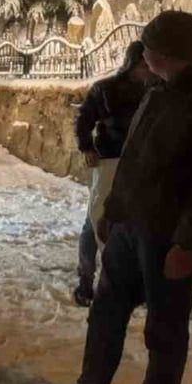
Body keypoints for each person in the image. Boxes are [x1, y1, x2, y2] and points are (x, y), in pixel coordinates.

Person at [37, 10, 192, 384]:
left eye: (151, 48)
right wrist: (111, 208)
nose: (143, 54)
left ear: (175, 54)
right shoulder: (156, 92)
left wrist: (188, 242)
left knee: (164, 327)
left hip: (168, 236)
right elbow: (130, 159)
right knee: (105, 311)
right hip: (129, 224)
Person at [71, 41, 153, 307]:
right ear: (131, 64)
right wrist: (86, 146)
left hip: (139, 163)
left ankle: (127, 280)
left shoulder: (155, 91)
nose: (146, 71)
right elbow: (83, 118)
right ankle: (86, 279)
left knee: (133, 221)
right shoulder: (106, 89)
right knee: (96, 218)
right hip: (109, 160)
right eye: (142, 66)